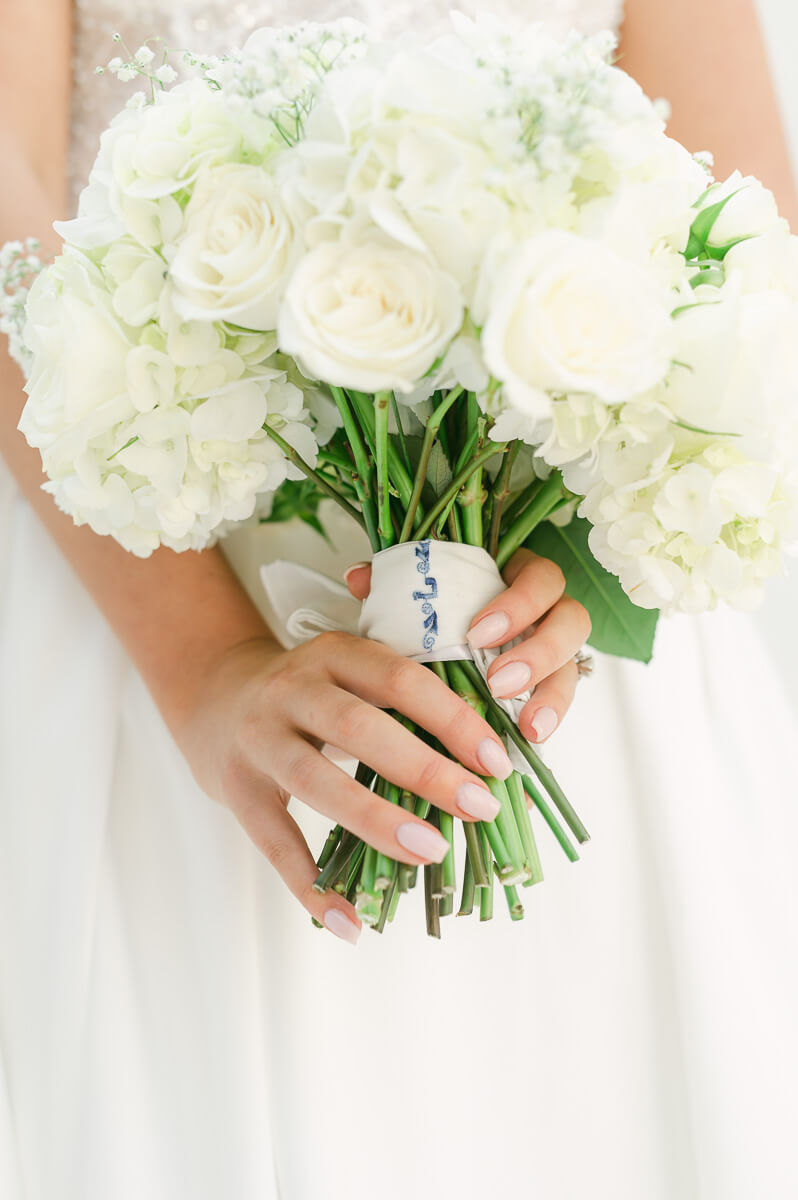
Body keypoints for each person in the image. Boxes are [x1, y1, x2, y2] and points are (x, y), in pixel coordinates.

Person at [1, 2, 797, 1198]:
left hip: (565, 667)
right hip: (161, 599)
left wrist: (567, 581)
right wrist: (211, 672)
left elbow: (743, 247)